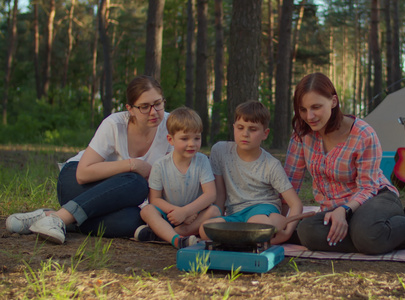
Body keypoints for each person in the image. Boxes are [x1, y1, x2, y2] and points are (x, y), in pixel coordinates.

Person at [6, 75, 172, 244]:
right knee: (137, 183)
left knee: (136, 219)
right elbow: (83, 174)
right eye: (144, 107)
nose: (153, 112)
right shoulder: (115, 124)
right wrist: (133, 164)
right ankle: (60, 218)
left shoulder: (171, 126)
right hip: (77, 183)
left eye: (158, 104)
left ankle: (53, 217)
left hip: (114, 200)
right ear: (130, 109)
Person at [284, 72, 405, 254]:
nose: (309, 116)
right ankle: (379, 236)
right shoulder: (302, 133)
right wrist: (278, 218)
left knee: (365, 232)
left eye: (316, 107)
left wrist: (344, 210)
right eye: (303, 109)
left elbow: (368, 187)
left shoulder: (363, 134)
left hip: (375, 198)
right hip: (334, 210)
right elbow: (290, 183)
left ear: (333, 101)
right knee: (306, 230)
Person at [199, 101, 303, 245]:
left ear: (265, 134)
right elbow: (220, 195)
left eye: (253, 129)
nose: (245, 134)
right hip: (235, 215)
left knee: (256, 224)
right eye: (240, 128)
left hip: (262, 209)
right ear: (234, 128)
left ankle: (265, 229)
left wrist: (287, 233)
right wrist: (217, 218)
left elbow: (296, 203)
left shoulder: (271, 165)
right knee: (205, 230)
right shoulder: (220, 151)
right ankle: (250, 238)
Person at [134, 107, 219, 248]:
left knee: (214, 211)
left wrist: (186, 212)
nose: (192, 143)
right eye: (184, 138)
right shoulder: (160, 165)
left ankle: (163, 235)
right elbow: (154, 199)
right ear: (170, 139)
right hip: (169, 215)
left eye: (196, 138)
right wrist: (176, 212)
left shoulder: (202, 161)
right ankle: (176, 240)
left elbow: (210, 194)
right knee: (147, 210)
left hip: (194, 214)